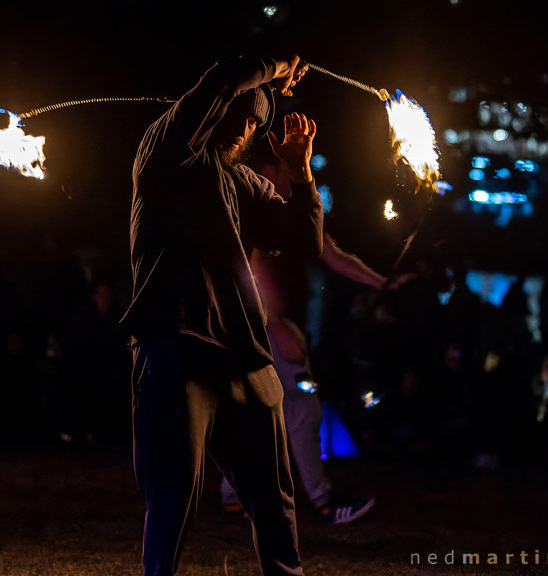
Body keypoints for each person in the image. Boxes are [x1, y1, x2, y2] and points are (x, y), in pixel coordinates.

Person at [120, 54, 321, 576]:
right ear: (219, 112)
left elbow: (305, 240)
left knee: (274, 503)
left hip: (244, 359)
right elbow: (221, 78)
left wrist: (300, 172)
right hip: (176, 346)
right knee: (173, 499)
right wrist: (275, 67)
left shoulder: (243, 182)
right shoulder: (168, 150)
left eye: (257, 121)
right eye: (244, 116)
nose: (251, 129)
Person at [220, 156, 411, 523]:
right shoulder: (259, 211)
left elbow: (335, 256)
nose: (293, 174)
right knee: (303, 408)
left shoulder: (292, 213)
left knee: (264, 410)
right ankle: (323, 502)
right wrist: (275, 324)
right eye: (285, 167)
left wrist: (383, 283)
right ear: (269, 171)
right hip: (264, 327)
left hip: (272, 327)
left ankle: (234, 496)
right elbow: (252, 273)